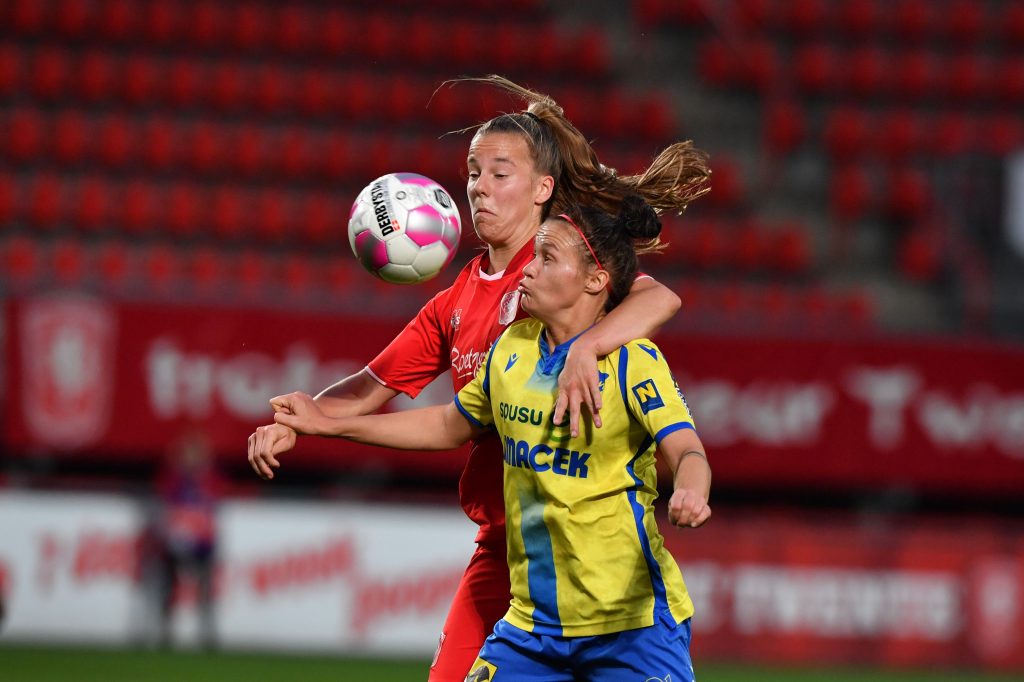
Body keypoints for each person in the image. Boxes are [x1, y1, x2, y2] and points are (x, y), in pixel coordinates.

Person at [247, 75, 710, 680]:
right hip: (510, 552)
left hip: (595, 565)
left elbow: (656, 297)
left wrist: (586, 347)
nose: (479, 188)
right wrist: (302, 420)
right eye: (472, 173)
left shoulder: (561, 265)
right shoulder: (459, 299)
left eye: (499, 173)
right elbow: (373, 389)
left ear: (544, 189)